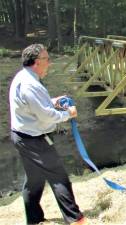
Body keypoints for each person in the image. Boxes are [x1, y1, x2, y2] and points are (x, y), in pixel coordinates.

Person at [9, 44, 87, 225]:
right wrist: (69, 114)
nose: (49, 63)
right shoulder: (31, 84)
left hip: (23, 137)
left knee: (34, 181)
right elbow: (46, 117)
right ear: (37, 62)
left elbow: (33, 106)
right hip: (35, 140)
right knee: (59, 178)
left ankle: (34, 220)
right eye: (47, 59)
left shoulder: (24, 77)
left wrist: (53, 101)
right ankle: (76, 220)